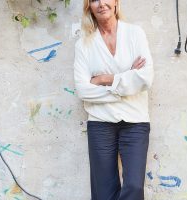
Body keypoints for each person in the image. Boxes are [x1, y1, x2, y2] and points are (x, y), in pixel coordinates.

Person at [73, 0, 154, 199]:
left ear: (116, 2)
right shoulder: (84, 44)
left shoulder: (135, 34)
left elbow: (145, 78)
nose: (101, 3)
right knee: (103, 191)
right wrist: (126, 80)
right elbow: (83, 90)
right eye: (93, 0)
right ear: (89, 7)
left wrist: (103, 79)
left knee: (134, 187)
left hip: (135, 122)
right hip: (100, 123)